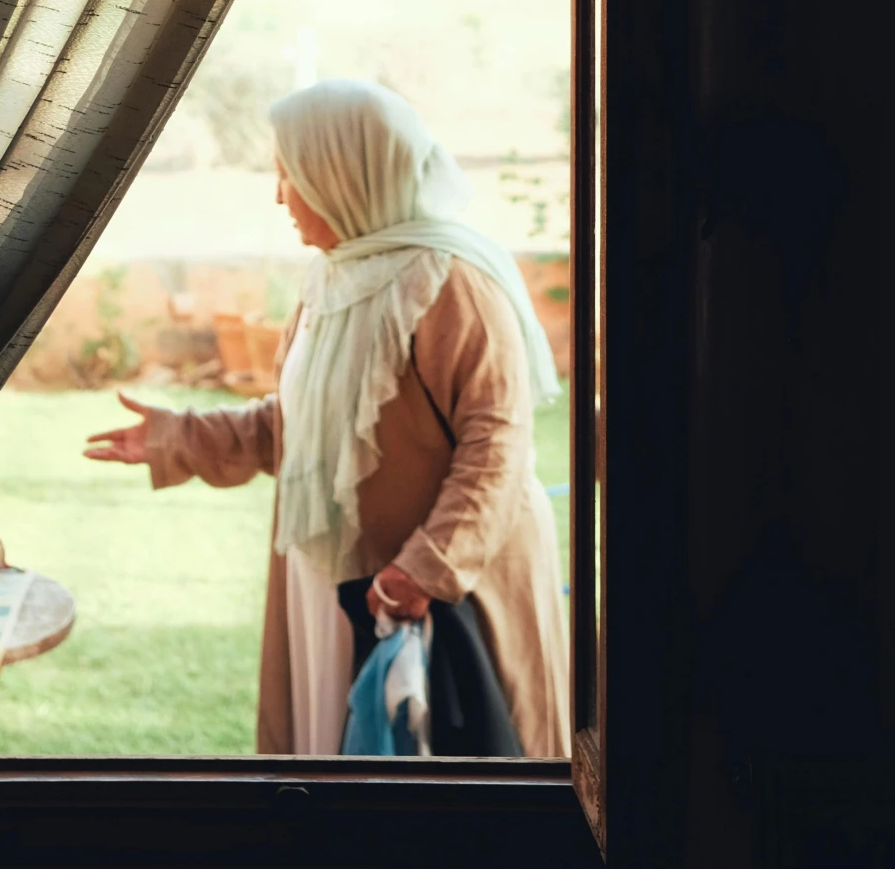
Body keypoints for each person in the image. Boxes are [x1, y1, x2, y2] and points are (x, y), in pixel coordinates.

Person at [84, 78, 571, 758]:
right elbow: (303, 425)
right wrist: (178, 435)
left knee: (462, 791)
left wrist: (426, 568)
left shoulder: (449, 279)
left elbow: (497, 444)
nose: (279, 193)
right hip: (340, 576)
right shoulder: (334, 279)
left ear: (344, 174)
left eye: (291, 173)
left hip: (443, 582)